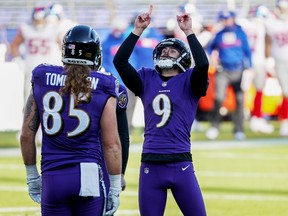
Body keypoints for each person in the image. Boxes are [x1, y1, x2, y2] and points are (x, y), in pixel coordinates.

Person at [113, 5, 208, 216]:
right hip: (151, 164)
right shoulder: (147, 78)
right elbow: (119, 61)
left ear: (182, 57)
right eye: (163, 49)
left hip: (181, 162)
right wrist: (137, 30)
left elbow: (202, 64)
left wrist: (189, 32)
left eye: (172, 50)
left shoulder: (190, 81)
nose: (166, 51)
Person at [20, 24, 122, 216]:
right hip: (87, 174)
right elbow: (112, 145)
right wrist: (115, 186)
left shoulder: (42, 77)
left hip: (53, 177)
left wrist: (32, 175)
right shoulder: (104, 84)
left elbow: (26, 134)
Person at [205, 10, 252, 140]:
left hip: (239, 70)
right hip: (223, 70)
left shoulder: (240, 33)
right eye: (224, 19)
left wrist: (250, 68)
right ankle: (214, 126)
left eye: (228, 19)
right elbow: (209, 48)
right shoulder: (219, 34)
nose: (226, 22)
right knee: (219, 98)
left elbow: (248, 52)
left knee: (240, 100)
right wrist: (212, 58)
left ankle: (239, 129)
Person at [239, 5, 274, 134]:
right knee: (251, 91)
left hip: (249, 62)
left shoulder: (245, 24)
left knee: (248, 91)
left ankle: (254, 117)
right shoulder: (258, 26)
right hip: (255, 61)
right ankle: (253, 118)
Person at [265, 0, 288, 136]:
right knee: (286, 92)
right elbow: (268, 42)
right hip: (279, 61)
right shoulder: (271, 22)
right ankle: (285, 121)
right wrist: (269, 59)